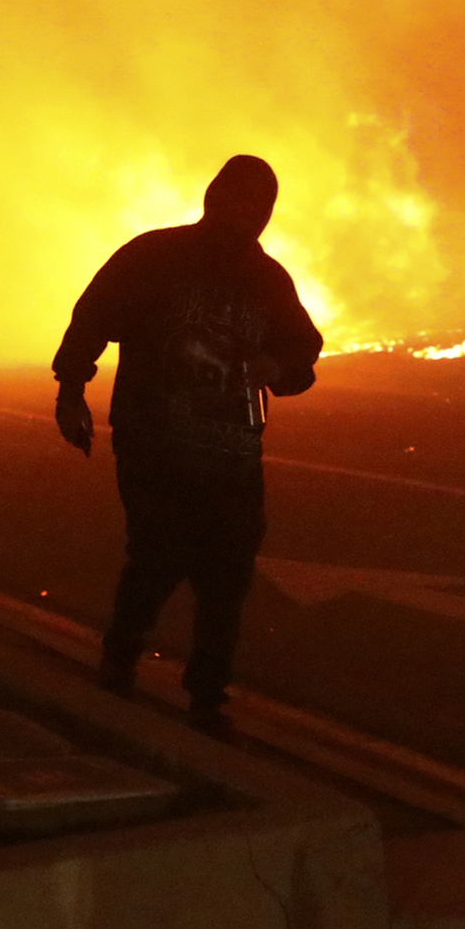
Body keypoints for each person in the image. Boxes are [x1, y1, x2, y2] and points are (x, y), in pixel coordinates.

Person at [52, 155, 322, 725]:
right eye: (240, 199)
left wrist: (274, 365)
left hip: (233, 451)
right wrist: (71, 388)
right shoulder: (154, 257)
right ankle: (120, 661)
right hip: (157, 440)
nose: (250, 214)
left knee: (228, 572)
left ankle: (207, 696)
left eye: (262, 203)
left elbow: (304, 351)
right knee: (158, 553)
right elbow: (93, 317)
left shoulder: (268, 280)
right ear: (213, 198)